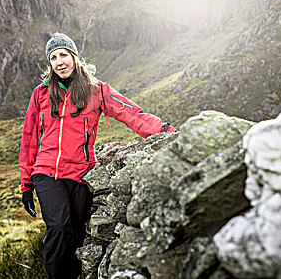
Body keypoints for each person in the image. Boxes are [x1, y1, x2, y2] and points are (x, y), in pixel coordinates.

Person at [19, 32, 176, 279]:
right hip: (46, 172)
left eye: (63, 55)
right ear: (49, 63)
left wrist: (163, 130)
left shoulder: (97, 90)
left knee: (77, 234)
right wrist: (26, 183)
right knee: (58, 227)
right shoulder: (40, 94)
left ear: (74, 57)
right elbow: (29, 139)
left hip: (81, 173)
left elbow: (130, 113)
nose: (59, 62)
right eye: (53, 58)